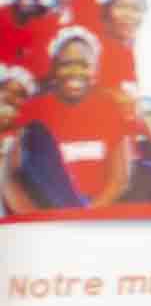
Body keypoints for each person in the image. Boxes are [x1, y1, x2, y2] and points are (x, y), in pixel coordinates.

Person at [4, 17, 135, 210]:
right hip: (47, 213)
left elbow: (120, 179)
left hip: (93, 210)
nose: (75, 71)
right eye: (66, 64)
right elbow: (10, 177)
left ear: (95, 71)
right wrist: (35, 219)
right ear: (54, 68)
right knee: (37, 134)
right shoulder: (34, 109)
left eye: (84, 65)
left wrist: (84, 217)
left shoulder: (109, 108)